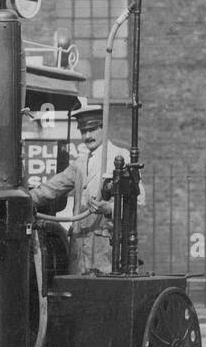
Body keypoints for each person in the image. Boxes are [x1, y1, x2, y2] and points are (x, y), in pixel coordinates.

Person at [28, 104, 140, 274]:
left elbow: (137, 201)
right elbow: (51, 188)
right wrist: (23, 199)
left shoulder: (120, 157)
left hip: (107, 251)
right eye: (83, 131)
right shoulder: (80, 163)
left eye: (92, 129)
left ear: (103, 127)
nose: (87, 136)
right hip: (79, 253)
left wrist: (109, 208)